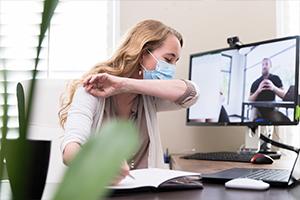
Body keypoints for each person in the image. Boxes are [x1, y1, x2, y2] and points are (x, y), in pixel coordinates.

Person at [58, 19, 199, 185]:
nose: (172, 68)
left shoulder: (150, 95)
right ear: (143, 53)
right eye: (168, 59)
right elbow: (70, 150)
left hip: (145, 192)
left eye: (175, 61)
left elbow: (192, 94)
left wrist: (124, 85)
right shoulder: (91, 91)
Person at [248, 58, 288, 122]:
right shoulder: (255, 82)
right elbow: (249, 100)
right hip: (257, 109)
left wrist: (273, 88)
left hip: (270, 110)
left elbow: (284, 95)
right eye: (263, 64)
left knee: (284, 120)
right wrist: (258, 90)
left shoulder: (275, 78)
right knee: (251, 122)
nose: (264, 66)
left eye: (266, 64)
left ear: (270, 66)